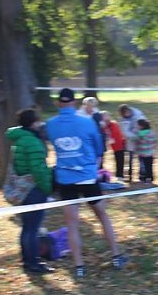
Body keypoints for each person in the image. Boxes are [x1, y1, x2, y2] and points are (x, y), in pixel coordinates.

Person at [46, 88, 129, 278]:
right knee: (103, 216)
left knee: (72, 224)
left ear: (58, 103)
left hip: (65, 179)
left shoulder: (50, 124)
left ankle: (79, 267)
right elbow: (99, 147)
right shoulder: (86, 122)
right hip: (87, 177)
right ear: (74, 103)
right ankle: (116, 256)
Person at [6, 108, 54, 274]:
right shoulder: (32, 142)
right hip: (33, 190)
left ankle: (27, 260)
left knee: (27, 227)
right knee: (33, 228)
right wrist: (47, 188)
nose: (40, 123)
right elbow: (38, 169)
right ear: (33, 123)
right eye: (38, 121)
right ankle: (33, 263)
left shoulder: (19, 139)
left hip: (23, 190)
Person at [118, 104, 147, 182]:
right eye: (125, 113)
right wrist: (134, 137)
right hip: (130, 141)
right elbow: (125, 132)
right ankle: (129, 175)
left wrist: (140, 135)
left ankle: (142, 175)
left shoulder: (138, 114)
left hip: (141, 140)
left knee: (142, 158)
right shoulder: (123, 120)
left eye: (127, 112)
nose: (127, 114)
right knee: (130, 159)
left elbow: (145, 126)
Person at [79, 96, 107, 168]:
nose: (92, 108)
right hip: (85, 140)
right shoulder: (79, 115)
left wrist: (102, 123)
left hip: (97, 139)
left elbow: (102, 125)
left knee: (99, 160)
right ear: (85, 105)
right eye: (90, 106)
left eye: (93, 106)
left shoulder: (96, 113)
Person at [128, 118, 157, 183]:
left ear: (141, 126)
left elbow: (136, 140)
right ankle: (150, 177)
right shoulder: (152, 132)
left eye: (138, 125)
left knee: (143, 166)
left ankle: (144, 177)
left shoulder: (141, 133)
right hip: (150, 153)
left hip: (143, 153)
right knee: (149, 166)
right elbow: (154, 141)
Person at [102, 111, 126, 182]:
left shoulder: (114, 124)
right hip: (113, 146)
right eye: (104, 119)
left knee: (120, 160)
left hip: (119, 145)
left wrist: (108, 137)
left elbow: (114, 135)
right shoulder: (104, 126)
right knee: (116, 159)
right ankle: (104, 175)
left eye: (106, 118)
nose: (106, 120)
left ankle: (120, 175)